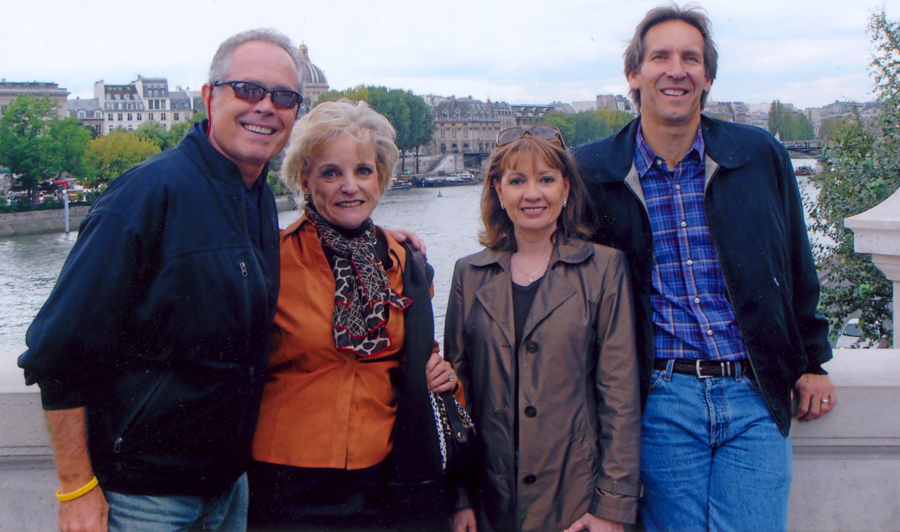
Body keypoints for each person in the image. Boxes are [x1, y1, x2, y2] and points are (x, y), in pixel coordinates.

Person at [18, 28, 305, 532]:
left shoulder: (257, 195)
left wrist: (381, 240)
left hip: (227, 490)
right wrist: (76, 486)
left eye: (283, 97)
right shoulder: (147, 194)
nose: (266, 107)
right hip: (144, 500)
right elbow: (57, 353)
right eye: (248, 90)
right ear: (209, 96)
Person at [571, 5, 836, 531]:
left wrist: (813, 360)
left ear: (708, 76)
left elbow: (795, 261)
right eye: (660, 57)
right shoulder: (592, 170)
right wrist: (396, 239)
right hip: (659, 399)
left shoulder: (759, 154)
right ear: (634, 74)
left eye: (691, 58)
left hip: (755, 392)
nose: (677, 70)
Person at [247, 99, 462, 532]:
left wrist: (444, 376)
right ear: (305, 179)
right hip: (287, 482)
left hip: (383, 479)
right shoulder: (271, 259)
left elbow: (420, 358)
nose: (350, 187)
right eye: (331, 173)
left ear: (380, 177)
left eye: (363, 171)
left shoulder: (405, 263)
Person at [445, 125, 642, 532]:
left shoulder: (604, 269)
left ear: (566, 188)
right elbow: (457, 399)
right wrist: (459, 499)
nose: (532, 194)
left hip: (575, 499)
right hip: (491, 501)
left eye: (546, 180)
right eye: (517, 181)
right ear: (499, 191)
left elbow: (620, 396)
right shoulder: (468, 275)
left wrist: (612, 507)